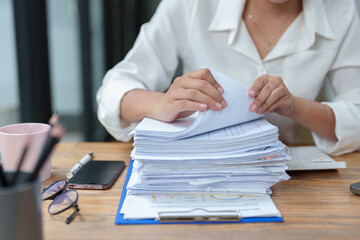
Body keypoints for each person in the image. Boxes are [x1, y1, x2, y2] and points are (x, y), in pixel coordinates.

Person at [97, 0, 360, 156]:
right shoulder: (192, 5)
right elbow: (113, 90)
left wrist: (295, 106)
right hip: (197, 169)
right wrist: (160, 104)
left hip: (287, 180)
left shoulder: (341, 10)